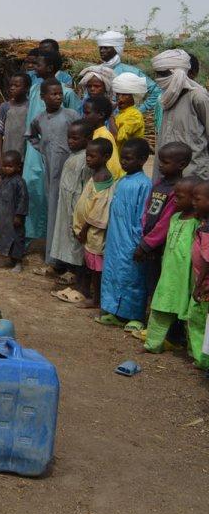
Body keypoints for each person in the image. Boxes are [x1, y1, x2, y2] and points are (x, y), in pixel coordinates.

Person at [23, 52, 80, 243]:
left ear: (49, 68)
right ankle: (32, 236)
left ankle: (54, 242)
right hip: (37, 153)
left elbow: (75, 125)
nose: (33, 67)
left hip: (61, 155)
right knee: (33, 191)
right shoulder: (34, 90)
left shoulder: (68, 94)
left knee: (57, 196)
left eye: (37, 64)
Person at [98, 138, 152, 331]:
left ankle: (135, 315)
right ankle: (114, 311)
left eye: (129, 159)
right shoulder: (121, 180)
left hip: (131, 240)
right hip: (115, 238)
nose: (124, 162)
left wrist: (140, 242)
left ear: (143, 160)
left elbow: (143, 217)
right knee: (114, 273)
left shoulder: (144, 184)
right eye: (122, 158)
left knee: (133, 277)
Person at [136, 143, 192, 302]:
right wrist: (144, 235)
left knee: (161, 283)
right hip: (149, 243)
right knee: (151, 280)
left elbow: (166, 223)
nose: (160, 165)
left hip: (162, 246)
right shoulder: (159, 184)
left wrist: (147, 244)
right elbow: (146, 211)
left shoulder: (178, 191)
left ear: (181, 165)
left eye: (165, 162)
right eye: (160, 161)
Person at [50, 121, 94, 305]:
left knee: (79, 249)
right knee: (70, 245)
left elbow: (86, 189)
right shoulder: (73, 156)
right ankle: (75, 281)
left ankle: (82, 287)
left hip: (78, 211)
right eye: (69, 137)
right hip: (67, 209)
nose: (71, 141)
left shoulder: (86, 160)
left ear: (88, 139)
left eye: (76, 138)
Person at [152, 49, 209, 179]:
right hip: (168, 176)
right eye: (158, 74)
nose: (160, 79)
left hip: (194, 176)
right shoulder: (167, 98)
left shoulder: (198, 97)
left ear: (180, 73)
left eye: (164, 74)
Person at [73, 139, 115, 310]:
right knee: (90, 265)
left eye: (92, 156)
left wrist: (84, 229)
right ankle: (89, 292)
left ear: (106, 157)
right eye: (87, 155)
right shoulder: (95, 174)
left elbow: (98, 210)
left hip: (94, 233)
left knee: (97, 269)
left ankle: (96, 299)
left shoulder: (103, 177)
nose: (88, 159)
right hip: (87, 232)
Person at [96, 30, 160, 119]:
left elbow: (156, 91)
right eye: (101, 48)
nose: (102, 51)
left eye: (106, 48)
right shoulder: (96, 71)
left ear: (116, 49)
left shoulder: (131, 71)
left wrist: (140, 109)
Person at [0, 150, 29, 272]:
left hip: (14, 218)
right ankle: (10, 259)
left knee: (16, 239)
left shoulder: (19, 182)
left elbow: (23, 199)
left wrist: (19, 215)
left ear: (18, 167)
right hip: (4, 217)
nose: (6, 168)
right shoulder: (3, 179)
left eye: (10, 166)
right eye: (4, 166)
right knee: (5, 237)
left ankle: (18, 262)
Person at [186, 181, 209, 366]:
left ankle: (202, 359)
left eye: (197, 199)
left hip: (205, 285)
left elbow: (208, 260)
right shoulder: (203, 223)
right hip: (202, 282)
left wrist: (200, 284)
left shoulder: (207, 229)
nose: (193, 202)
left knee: (198, 321)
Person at [82, 95, 123, 179]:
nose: (84, 117)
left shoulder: (104, 136)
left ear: (100, 115)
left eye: (87, 113)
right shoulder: (93, 134)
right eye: (84, 113)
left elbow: (113, 167)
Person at [110, 73, 147, 143]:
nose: (120, 98)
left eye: (124, 94)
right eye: (117, 94)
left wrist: (110, 114)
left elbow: (118, 137)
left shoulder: (135, 115)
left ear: (134, 96)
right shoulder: (120, 114)